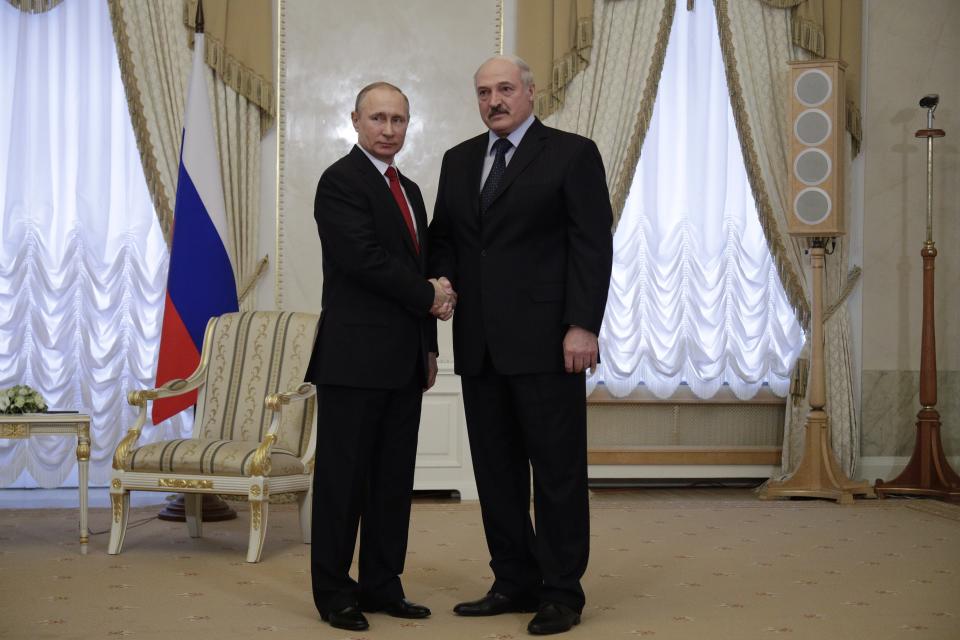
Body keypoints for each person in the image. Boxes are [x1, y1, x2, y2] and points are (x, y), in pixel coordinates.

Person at [428, 55, 613, 636]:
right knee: (497, 472)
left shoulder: (572, 153)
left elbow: (592, 245)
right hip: (479, 345)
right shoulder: (458, 161)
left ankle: (561, 591)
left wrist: (583, 325)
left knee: (556, 473)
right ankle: (513, 579)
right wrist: (438, 285)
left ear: (531, 93)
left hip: (549, 344)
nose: (494, 101)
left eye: (505, 89)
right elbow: (446, 241)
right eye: (484, 92)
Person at [308, 81, 455, 632]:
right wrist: (432, 296)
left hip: (404, 360)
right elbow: (364, 261)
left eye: (398, 120)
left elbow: (421, 265)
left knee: (393, 480)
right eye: (378, 119)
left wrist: (430, 345)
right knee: (343, 483)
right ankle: (334, 593)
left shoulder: (410, 189)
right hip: (352, 361)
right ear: (355, 121)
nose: (389, 129)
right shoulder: (339, 182)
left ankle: (382, 584)